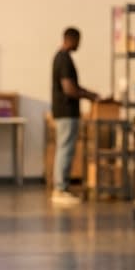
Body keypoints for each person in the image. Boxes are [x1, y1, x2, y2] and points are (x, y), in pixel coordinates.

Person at [51, 27, 99, 206]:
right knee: (65, 149)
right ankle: (60, 188)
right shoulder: (63, 59)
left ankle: (61, 187)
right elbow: (69, 89)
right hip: (66, 111)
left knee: (64, 149)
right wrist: (90, 96)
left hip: (64, 112)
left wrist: (89, 93)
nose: (79, 44)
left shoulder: (61, 57)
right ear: (71, 39)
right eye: (78, 41)